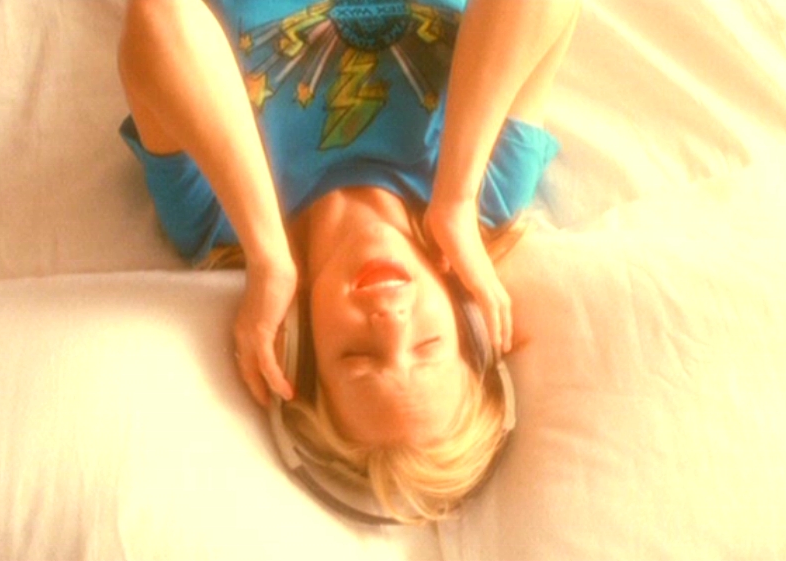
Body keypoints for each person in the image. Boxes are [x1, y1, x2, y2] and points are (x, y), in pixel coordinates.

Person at [118, 0, 579, 521]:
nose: (390, 321)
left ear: (303, 350)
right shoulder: (487, 194)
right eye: (427, 345)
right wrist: (456, 195)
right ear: (467, 321)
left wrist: (268, 252)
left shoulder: (215, 219)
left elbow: (160, 17)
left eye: (358, 357)